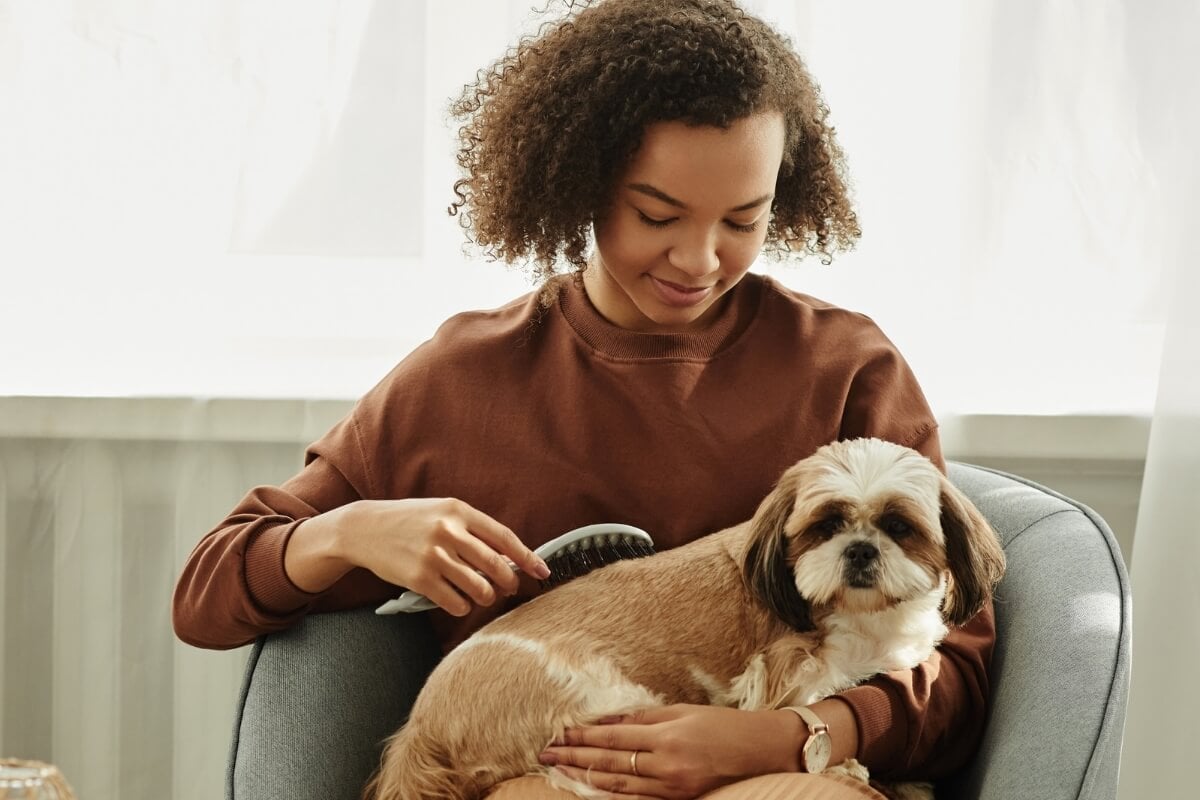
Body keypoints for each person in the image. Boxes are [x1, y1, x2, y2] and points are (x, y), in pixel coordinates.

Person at [172, 1, 996, 798]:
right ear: (578, 183)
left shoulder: (845, 365)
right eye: (656, 214)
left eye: (744, 220)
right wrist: (349, 531)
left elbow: (957, 670)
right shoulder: (461, 379)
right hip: (549, 774)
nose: (700, 260)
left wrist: (790, 736)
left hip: (783, 766)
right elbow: (205, 596)